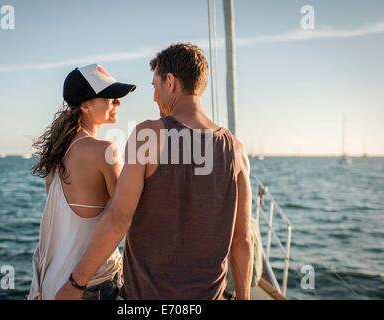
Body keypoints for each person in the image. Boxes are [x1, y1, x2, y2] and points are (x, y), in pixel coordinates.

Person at [55, 43, 254, 300]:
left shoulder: (148, 135)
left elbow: (118, 218)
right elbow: (243, 241)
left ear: (170, 82)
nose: (154, 97)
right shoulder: (236, 150)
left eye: (154, 86)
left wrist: (76, 283)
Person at [27, 64, 136, 300]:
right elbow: (126, 218)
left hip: (53, 282)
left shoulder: (56, 154)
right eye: (110, 97)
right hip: (88, 287)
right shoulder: (105, 151)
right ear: (85, 106)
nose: (118, 103)